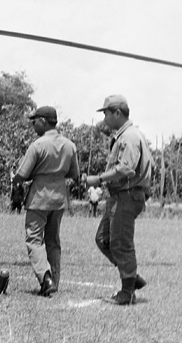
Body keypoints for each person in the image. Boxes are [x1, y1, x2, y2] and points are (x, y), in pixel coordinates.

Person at [85, 95, 153, 305]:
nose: (104, 117)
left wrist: (99, 178)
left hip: (127, 194)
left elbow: (126, 168)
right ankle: (131, 276)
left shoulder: (129, 137)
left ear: (117, 113)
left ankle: (127, 291)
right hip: (119, 195)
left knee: (121, 243)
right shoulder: (124, 136)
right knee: (103, 240)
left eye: (105, 112)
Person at [12, 106, 80, 297]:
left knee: (34, 239)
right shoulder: (69, 145)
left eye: (34, 122)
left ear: (43, 121)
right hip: (59, 198)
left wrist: (19, 177)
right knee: (53, 240)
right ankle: (54, 282)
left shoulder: (38, 145)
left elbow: (21, 175)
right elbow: (74, 174)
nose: (33, 125)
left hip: (39, 198)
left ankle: (45, 277)